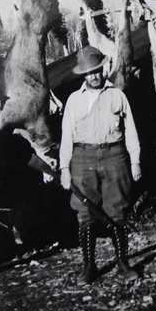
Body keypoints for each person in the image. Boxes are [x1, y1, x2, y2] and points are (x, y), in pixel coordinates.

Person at [59, 46, 142, 285]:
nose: (93, 76)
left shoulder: (117, 95)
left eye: (96, 71)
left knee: (117, 210)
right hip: (83, 158)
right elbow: (66, 136)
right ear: (82, 76)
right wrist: (65, 169)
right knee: (85, 213)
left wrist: (135, 160)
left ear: (102, 69)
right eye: (88, 73)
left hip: (114, 156)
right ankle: (88, 267)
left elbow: (131, 132)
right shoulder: (74, 100)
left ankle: (123, 264)